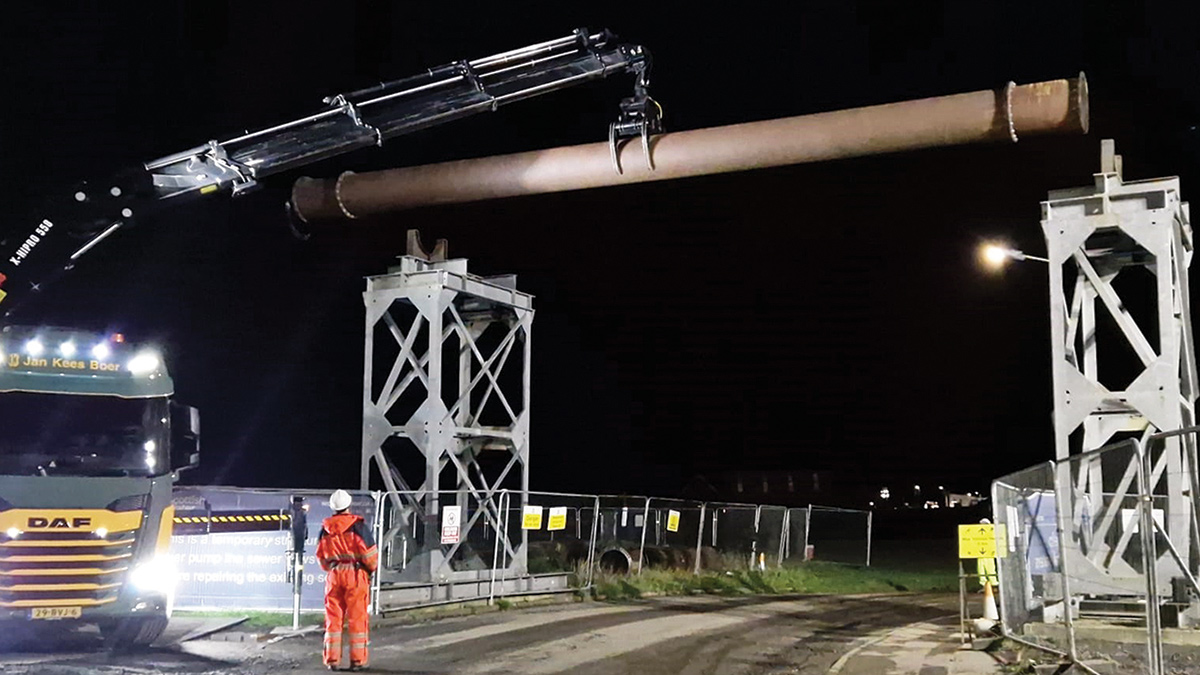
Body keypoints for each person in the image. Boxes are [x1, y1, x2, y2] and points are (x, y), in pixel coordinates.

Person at [316, 489, 378, 671]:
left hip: (334, 576)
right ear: (349, 506)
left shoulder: (325, 530)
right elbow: (370, 555)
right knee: (357, 619)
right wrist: (369, 571)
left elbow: (321, 558)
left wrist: (334, 568)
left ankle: (332, 660)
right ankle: (357, 661)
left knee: (333, 620)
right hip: (355, 576)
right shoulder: (357, 527)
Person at [977, 518, 999, 591]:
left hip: (989, 553)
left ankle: (994, 585)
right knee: (981, 569)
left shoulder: (991, 531)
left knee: (990, 569)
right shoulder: (978, 532)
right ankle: (984, 585)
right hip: (980, 553)